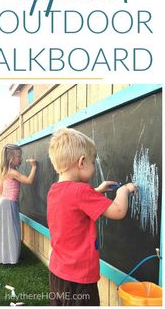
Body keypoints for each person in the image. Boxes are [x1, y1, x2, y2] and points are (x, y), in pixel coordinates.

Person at [47, 128, 137, 306]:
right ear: (81, 162)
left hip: (57, 273)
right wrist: (123, 190)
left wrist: (96, 191)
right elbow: (118, 211)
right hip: (78, 279)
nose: (95, 166)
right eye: (93, 162)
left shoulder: (54, 190)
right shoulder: (81, 191)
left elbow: (73, 203)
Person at [0, 144, 37, 264]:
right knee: (11, 229)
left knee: (7, 229)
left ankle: (6, 256)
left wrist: (6, 198)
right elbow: (29, 181)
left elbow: (0, 187)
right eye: (19, 156)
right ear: (11, 158)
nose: (21, 159)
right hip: (8, 203)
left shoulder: (5, 171)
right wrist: (34, 166)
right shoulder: (12, 172)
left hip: (5, 201)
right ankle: (10, 258)